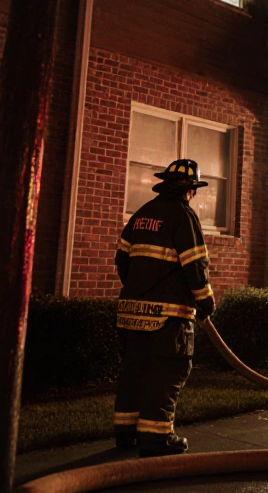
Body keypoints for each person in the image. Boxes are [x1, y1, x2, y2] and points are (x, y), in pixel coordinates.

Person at [112, 158, 216, 457]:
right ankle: (157, 438)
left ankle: (126, 433)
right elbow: (195, 265)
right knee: (167, 370)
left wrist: (138, 289)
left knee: (134, 371)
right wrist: (205, 300)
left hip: (131, 313)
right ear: (190, 190)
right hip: (168, 317)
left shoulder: (141, 215)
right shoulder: (183, 216)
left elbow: (122, 260)